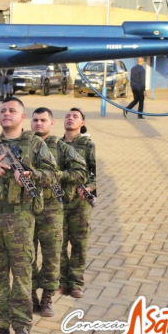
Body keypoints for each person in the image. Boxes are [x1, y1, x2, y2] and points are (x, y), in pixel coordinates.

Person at [0, 97, 57, 334]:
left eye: (12, 110)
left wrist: (31, 174)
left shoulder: (34, 143)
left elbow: (53, 174)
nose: (6, 114)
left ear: (22, 117)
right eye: (3, 110)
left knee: (22, 273)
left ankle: (22, 325)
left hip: (20, 216)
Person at [29, 108, 87, 318]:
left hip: (52, 208)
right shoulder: (25, 145)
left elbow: (81, 171)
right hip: (26, 208)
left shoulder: (60, 146)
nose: (38, 124)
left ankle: (47, 298)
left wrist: (58, 176)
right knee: (27, 255)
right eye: (35, 120)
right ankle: (31, 297)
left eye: (43, 120)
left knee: (52, 255)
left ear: (51, 123)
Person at [60, 108, 97, 298]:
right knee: (59, 244)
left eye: (75, 117)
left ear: (82, 123)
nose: (70, 118)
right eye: (67, 116)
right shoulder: (56, 145)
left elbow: (94, 174)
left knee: (79, 244)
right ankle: (62, 281)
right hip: (59, 202)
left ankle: (75, 283)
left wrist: (89, 188)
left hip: (80, 203)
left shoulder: (87, 145)